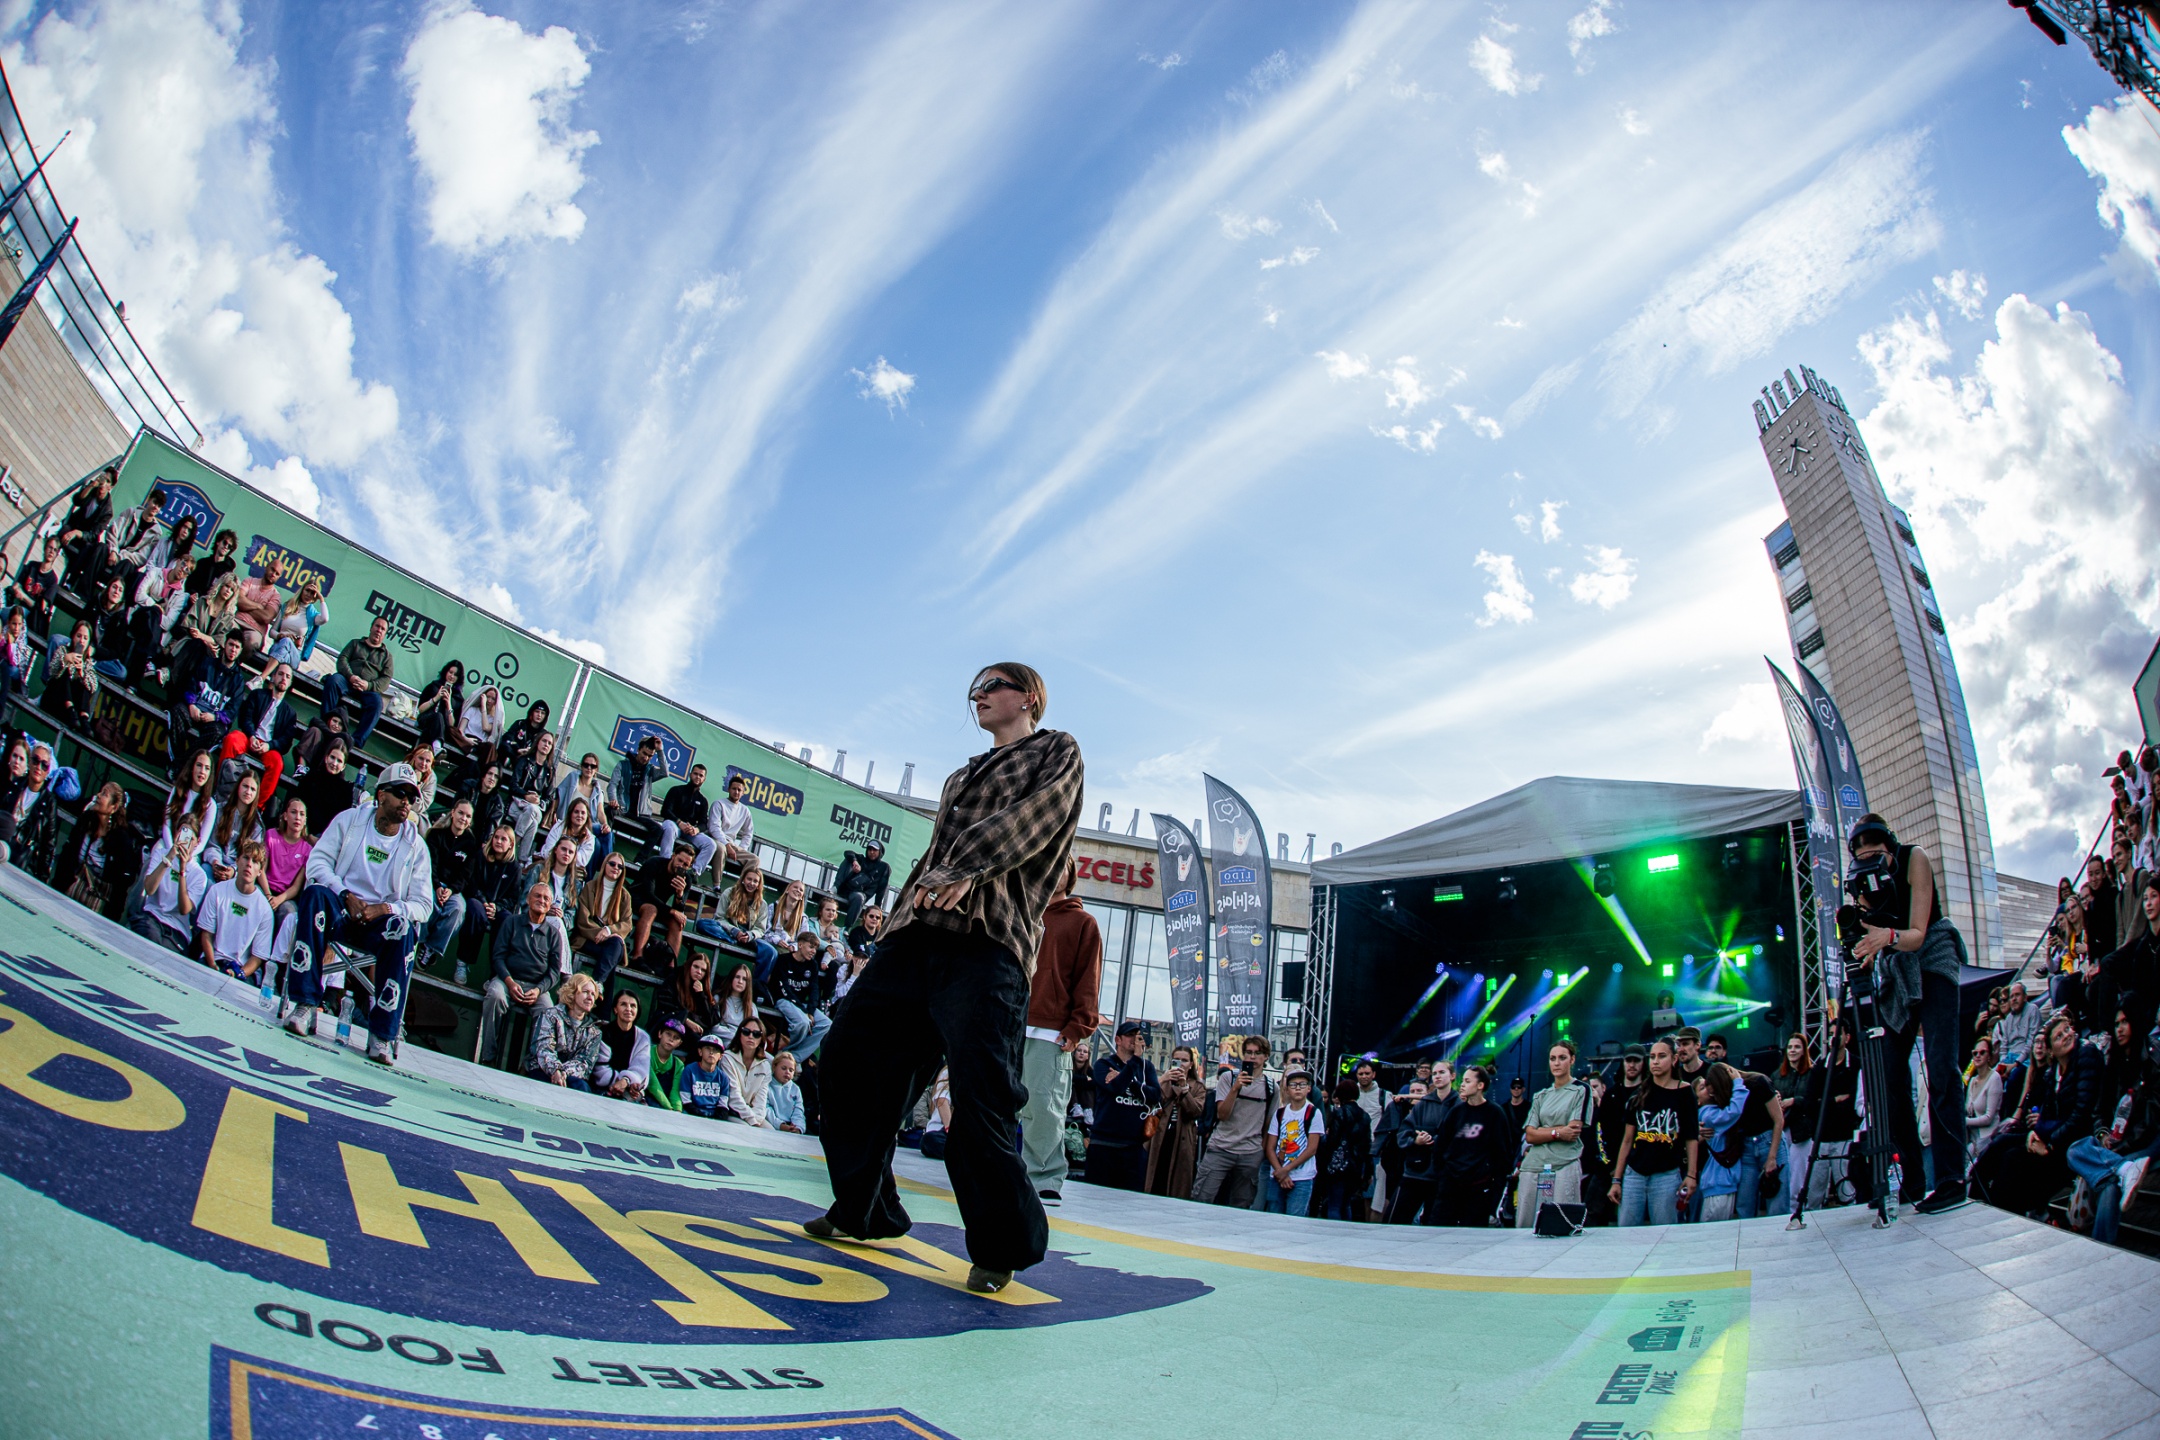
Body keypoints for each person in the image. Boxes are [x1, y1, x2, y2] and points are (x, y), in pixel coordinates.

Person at [809, 661, 1083, 1295]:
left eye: (991, 686)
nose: (977, 696)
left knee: (982, 1098)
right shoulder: (961, 775)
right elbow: (931, 859)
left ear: (1029, 697)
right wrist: (895, 923)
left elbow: (1034, 820)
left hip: (988, 944)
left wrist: (967, 867)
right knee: (847, 1059)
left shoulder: (1056, 751)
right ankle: (863, 1209)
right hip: (913, 937)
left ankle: (1001, 1246)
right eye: (974, 690)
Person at [1844, 813, 1975, 1214]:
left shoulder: (1913, 857)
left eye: (1877, 856)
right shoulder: (1859, 880)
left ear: (1890, 848)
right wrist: (1864, 943)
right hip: (1898, 969)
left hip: (1932, 956)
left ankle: (1951, 1178)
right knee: (1889, 1077)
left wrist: (1885, 937)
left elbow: (1916, 933)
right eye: (1863, 857)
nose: (1872, 864)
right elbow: (1872, 933)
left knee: (1941, 1066)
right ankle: (1913, 1177)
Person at [281, 763, 435, 1063]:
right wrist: (344, 894)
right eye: (400, 794)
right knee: (314, 895)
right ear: (381, 795)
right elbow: (317, 864)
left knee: (405, 928)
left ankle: (382, 1034)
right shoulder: (349, 821)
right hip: (339, 911)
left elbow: (423, 905)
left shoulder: (416, 846)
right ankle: (306, 1005)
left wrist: (385, 909)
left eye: (412, 797)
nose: (406, 802)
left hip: (379, 926)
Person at [1021, 860, 1101, 1204]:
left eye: (1061, 864)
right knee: (994, 1103)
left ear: (1071, 875)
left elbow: (1088, 978)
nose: (1053, 868)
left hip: (1050, 1031)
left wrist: (1078, 1026)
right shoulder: (1022, 911)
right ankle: (991, 1173)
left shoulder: (1083, 922)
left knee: (1043, 1107)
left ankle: (1044, 1178)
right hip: (1008, 1023)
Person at [1971, 1013, 2099, 1216]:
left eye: (2067, 1030)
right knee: (2000, 1143)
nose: (2066, 1036)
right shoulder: (2053, 1072)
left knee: (2013, 1159)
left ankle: (1996, 1213)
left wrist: (2049, 1143)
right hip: (2050, 1134)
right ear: (2052, 1051)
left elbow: (2080, 1115)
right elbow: (2047, 1112)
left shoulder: (2086, 1054)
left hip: (2069, 1142)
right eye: (2059, 1036)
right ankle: (1976, 1200)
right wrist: (2035, 1134)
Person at [1609, 1037, 1699, 1226]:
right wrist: (1617, 1180)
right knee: (1626, 1232)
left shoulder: (1684, 1092)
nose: (1656, 1061)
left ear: (1674, 1059)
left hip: (1667, 1174)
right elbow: (1627, 1140)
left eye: (1661, 1056)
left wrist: (1691, 1175)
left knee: (1665, 1231)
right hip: (1635, 1173)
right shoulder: (1639, 1094)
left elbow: (1691, 1137)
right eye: (1652, 1057)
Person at [477, 882, 568, 1065]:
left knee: (548, 1013)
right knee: (495, 996)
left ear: (550, 905)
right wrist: (509, 982)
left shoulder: (553, 934)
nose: (541, 900)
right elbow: (498, 957)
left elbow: (554, 972)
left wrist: (538, 990)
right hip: (507, 980)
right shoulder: (511, 922)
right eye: (537, 896)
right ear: (528, 899)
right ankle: (488, 1056)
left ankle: (531, 1065)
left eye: (546, 898)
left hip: (536, 987)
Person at [1517, 1039, 1592, 1230]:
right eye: (1552, 1058)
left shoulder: (1581, 1090)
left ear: (1572, 1060)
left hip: (1564, 1163)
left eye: (1562, 1058)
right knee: (1525, 1227)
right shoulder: (1541, 1096)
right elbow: (1530, 1136)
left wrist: (1542, 1131)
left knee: (1562, 1225)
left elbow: (1572, 1131)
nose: (1556, 1063)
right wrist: (1557, 1131)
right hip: (1533, 1165)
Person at [1429, 1064, 1514, 1226]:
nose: (1462, 1085)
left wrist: (1494, 1187)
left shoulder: (1495, 1113)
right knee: (1439, 1228)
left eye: (1467, 1081)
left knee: (1472, 1233)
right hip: (1450, 1184)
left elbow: (1503, 1154)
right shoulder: (1456, 1112)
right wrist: (1442, 1175)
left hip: (1479, 1186)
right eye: (1462, 1081)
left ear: (1480, 1085)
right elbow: (1440, 1146)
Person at [1086, 1020, 1161, 1191]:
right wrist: (1134, 1062)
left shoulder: (1146, 1067)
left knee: (1130, 1199)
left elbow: (1155, 1096)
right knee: (1095, 1196)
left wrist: (1130, 1082)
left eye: (1138, 1036)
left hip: (1133, 1147)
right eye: (1130, 1035)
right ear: (1118, 1040)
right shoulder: (1103, 1065)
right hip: (1104, 1144)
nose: (1135, 1039)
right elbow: (1116, 1087)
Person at [53, 782, 143, 918]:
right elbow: (67, 856)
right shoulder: (85, 820)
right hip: (69, 892)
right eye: (100, 792)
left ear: (113, 807)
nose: (98, 796)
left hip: (96, 907)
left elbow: (121, 886)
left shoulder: (121, 839)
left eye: (104, 794)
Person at [193, 838, 276, 979]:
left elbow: (257, 957)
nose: (249, 864)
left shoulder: (265, 910)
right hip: (212, 960)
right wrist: (213, 965)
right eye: (246, 858)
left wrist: (239, 973)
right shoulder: (217, 891)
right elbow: (206, 934)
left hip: (241, 969)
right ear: (237, 861)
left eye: (255, 862)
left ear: (260, 871)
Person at [1383, 1074, 1456, 1224]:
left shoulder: (1456, 1105)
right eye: (1412, 1091)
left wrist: (1433, 1140)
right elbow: (1401, 1135)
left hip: (1440, 1175)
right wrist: (1415, 1140)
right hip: (1412, 1171)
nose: (1415, 1095)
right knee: (1394, 1220)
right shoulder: (1408, 1108)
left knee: (1433, 1224)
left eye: (1419, 1091)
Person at [223, 658, 301, 798]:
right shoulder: (257, 695)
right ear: (273, 677)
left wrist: (269, 745)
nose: (284, 678)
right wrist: (252, 736)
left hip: (268, 748)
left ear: (290, 683)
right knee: (232, 739)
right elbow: (246, 718)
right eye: (280, 674)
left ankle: (258, 805)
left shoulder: (290, 713)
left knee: (277, 763)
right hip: (249, 738)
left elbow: (285, 741)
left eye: (287, 676)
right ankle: (222, 788)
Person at [422, 799, 482, 971]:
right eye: (461, 813)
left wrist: (450, 890)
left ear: (470, 821)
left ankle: (431, 948)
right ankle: (419, 941)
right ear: (453, 812)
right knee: (428, 901)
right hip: (430, 883)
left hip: (452, 890)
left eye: (468, 816)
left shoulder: (471, 844)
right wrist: (436, 886)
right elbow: (430, 864)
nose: (463, 818)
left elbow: (465, 875)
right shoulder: (436, 834)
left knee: (458, 909)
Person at [1256, 1068, 1326, 1215]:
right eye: (1293, 1085)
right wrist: (1279, 1171)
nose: (1298, 1088)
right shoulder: (1280, 1113)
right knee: (1274, 1215)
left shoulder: (1314, 1113)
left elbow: (1312, 1149)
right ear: (1287, 1090)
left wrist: (1286, 1170)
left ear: (1308, 1088)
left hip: (1302, 1177)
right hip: (1277, 1175)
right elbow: (1270, 1147)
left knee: (1295, 1217)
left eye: (1302, 1084)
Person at [318, 614, 394, 748]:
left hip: (367, 691)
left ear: (385, 634)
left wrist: (368, 685)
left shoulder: (387, 657)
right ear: (371, 628)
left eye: (383, 629)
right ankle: (325, 724)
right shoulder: (355, 643)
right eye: (377, 626)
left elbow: (386, 680)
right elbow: (342, 659)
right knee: (334, 680)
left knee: (377, 704)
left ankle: (355, 742)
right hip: (347, 681)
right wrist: (350, 676)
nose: (379, 630)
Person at [131, 822, 208, 953]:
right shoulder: (161, 854)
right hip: (153, 917)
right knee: (149, 940)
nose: (186, 841)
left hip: (177, 929)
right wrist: (169, 858)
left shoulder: (199, 875)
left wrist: (182, 870)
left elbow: (184, 909)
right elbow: (149, 889)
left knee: (166, 953)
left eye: (191, 838)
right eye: (182, 834)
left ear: (197, 842)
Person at [172, 632, 248, 763]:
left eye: (237, 647)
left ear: (240, 651)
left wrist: (215, 717)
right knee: (178, 710)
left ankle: (182, 763)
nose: (233, 649)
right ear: (225, 644)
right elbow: (191, 685)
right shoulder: (207, 663)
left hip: (213, 720)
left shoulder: (238, 680)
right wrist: (192, 705)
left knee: (217, 733)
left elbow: (231, 713)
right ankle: (177, 760)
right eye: (231, 645)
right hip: (195, 710)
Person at [1145, 1044, 1208, 1199]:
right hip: (1159, 1135)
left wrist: (1184, 1088)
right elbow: (1151, 1101)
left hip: (1182, 1137)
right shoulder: (1163, 1081)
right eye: (1176, 1060)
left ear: (1191, 1064)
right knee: (1153, 1176)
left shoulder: (1198, 1086)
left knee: (1177, 1182)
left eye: (1184, 1060)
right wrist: (1163, 1080)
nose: (1180, 1064)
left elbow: (1195, 1111)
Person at [1692, 1064, 1753, 1222]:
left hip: (1723, 1183)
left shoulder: (1714, 1109)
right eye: (1703, 1087)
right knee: (1713, 1230)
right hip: (1718, 1184)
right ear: (1697, 1101)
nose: (1709, 1087)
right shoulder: (1707, 1115)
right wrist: (1738, 1083)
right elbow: (1732, 1112)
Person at [571, 850, 636, 990]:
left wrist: (608, 930)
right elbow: (582, 919)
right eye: (612, 864)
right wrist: (599, 933)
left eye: (620, 866)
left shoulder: (625, 895)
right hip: (587, 939)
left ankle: (595, 984)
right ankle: (597, 987)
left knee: (613, 948)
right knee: (611, 957)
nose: (616, 868)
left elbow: (627, 924)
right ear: (604, 865)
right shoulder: (590, 887)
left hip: (610, 942)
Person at [529, 973, 605, 1089]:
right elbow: (544, 1048)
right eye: (585, 992)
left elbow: (585, 1062)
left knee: (582, 1087)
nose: (590, 998)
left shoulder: (594, 1031)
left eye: (593, 994)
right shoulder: (550, 1015)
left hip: (570, 1076)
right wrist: (556, 1070)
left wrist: (563, 1072)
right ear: (572, 993)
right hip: (542, 1070)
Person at [770, 928, 835, 1060]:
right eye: (811, 947)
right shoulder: (784, 960)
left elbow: (814, 990)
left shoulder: (812, 965)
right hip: (784, 1000)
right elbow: (784, 989)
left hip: (802, 1005)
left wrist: (810, 1011)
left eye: (815, 948)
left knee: (827, 1025)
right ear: (800, 944)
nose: (813, 951)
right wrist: (804, 1011)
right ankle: (784, 1056)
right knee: (803, 1023)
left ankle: (793, 1057)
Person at [1316, 1076, 1374, 1220]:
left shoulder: (1339, 1113)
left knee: (1334, 1204)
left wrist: (1324, 1140)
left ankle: (1333, 1231)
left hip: (1338, 1166)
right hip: (1356, 1166)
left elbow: (1332, 1141)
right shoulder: (1365, 1116)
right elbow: (1367, 1144)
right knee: (1346, 1204)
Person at [631, 841, 697, 961]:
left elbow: (679, 909)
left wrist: (679, 895)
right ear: (673, 856)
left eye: (685, 865)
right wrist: (672, 911)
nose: (681, 866)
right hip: (637, 898)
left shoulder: (686, 879)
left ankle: (670, 964)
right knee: (651, 909)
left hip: (659, 906)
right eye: (680, 860)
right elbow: (648, 893)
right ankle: (637, 957)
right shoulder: (654, 863)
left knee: (677, 921)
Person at [655, 762, 714, 874]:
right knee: (669, 827)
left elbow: (703, 823)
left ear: (704, 779)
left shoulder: (703, 801)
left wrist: (696, 829)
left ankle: (693, 872)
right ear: (690, 774)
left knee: (711, 844)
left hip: (690, 832)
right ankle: (665, 863)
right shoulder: (676, 790)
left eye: (701, 775)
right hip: (675, 825)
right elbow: (665, 811)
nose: (697, 777)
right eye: (695, 774)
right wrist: (679, 822)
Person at [592, 989, 651, 1101]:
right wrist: (619, 1082)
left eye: (633, 1006)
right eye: (623, 1004)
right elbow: (600, 1069)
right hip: (604, 1087)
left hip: (629, 1089)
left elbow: (641, 1070)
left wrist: (626, 1081)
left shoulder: (643, 1038)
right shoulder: (603, 1032)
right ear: (615, 1009)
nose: (628, 1009)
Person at [1352, 1060, 1392, 1220]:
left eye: (1367, 1073)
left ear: (1374, 1074)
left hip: (1376, 1151)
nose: (1364, 1076)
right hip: (1356, 1150)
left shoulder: (1384, 1095)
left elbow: (1390, 1122)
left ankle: (1373, 1224)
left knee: (1376, 1194)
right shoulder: (1352, 1094)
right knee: (1361, 1193)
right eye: (1360, 1074)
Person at [265, 574, 330, 668]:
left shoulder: (313, 615)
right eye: (307, 590)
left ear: (315, 596)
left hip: (295, 653)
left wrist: (321, 598)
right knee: (285, 645)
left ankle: (264, 675)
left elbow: (325, 619)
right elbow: (272, 632)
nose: (308, 595)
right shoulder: (287, 606)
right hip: (278, 647)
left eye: (313, 593)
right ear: (302, 590)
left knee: (286, 644)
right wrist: (281, 635)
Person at [654, 953, 721, 1040]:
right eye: (696, 967)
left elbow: (711, 1020)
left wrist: (701, 995)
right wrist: (685, 1019)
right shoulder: (675, 979)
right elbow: (666, 1004)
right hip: (670, 1025)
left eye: (703, 970)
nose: (699, 972)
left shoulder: (705, 990)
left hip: (692, 1033)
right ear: (689, 966)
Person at [722, 1016, 772, 1126]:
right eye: (746, 1032)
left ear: (762, 1038)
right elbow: (733, 1097)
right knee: (747, 1130)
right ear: (739, 1034)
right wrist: (752, 1121)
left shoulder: (765, 1066)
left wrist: (756, 1119)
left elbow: (761, 1100)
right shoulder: (727, 1059)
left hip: (753, 1115)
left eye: (756, 1034)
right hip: (732, 1111)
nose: (750, 1036)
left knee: (771, 1132)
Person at [707, 769, 755, 881]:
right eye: (734, 789)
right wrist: (727, 845)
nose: (736, 792)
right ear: (728, 789)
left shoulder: (745, 811)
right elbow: (714, 828)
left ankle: (741, 887)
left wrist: (742, 848)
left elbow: (748, 833)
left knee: (754, 860)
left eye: (739, 790)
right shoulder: (719, 804)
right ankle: (717, 885)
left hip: (733, 845)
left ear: (743, 793)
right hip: (716, 840)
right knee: (721, 849)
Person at [1965, 1035, 2005, 1161]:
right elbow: (1967, 1110)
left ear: (1989, 1056)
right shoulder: (1972, 1081)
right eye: (1975, 1053)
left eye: (1982, 1052)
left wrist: (1964, 1121)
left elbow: (1989, 1118)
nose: (1978, 1056)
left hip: (1988, 1137)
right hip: (1972, 1138)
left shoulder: (1995, 1078)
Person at [678, 1032, 734, 1119]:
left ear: (721, 1056)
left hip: (714, 1115)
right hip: (691, 1113)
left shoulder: (723, 1077)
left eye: (715, 1049)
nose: (711, 1052)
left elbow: (723, 1105)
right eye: (707, 1048)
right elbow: (686, 1100)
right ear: (700, 1052)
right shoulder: (689, 1070)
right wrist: (700, 1116)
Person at [835, 839, 889, 928]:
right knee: (848, 859)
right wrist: (855, 862)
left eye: (875, 850)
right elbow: (848, 853)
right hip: (845, 889)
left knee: (859, 898)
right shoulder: (861, 859)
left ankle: (846, 928)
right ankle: (835, 887)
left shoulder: (884, 867)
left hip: (859, 894)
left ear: (880, 852)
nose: (872, 852)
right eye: (870, 849)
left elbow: (882, 888)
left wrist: (877, 906)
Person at [414, 659, 465, 753]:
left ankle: (435, 748)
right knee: (438, 716)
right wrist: (436, 698)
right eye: (450, 672)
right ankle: (437, 748)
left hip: (443, 729)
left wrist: (449, 704)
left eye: (455, 675)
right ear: (446, 672)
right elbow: (420, 709)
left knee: (439, 718)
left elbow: (452, 724)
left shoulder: (458, 698)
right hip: (426, 720)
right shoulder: (433, 686)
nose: (452, 676)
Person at [648, 1019, 689, 1112]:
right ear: (660, 1034)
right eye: (668, 1034)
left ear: (679, 1043)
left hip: (667, 1102)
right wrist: (669, 1109)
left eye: (676, 1037)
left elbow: (675, 1092)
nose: (671, 1039)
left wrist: (677, 1110)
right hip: (648, 1097)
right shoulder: (647, 1053)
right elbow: (653, 1085)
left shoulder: (678, 1064)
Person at [767, 1051, 808, 1133]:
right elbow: (766, 1109)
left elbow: (798, 1111)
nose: (787, 1072)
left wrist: (798, 1127)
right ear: (774, 1067)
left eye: (791, 1070)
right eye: (783, 1068)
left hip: (790, 1126)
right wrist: (781, 1125)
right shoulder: (767, 1084)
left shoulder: (795, 1089)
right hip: (771, 1124)